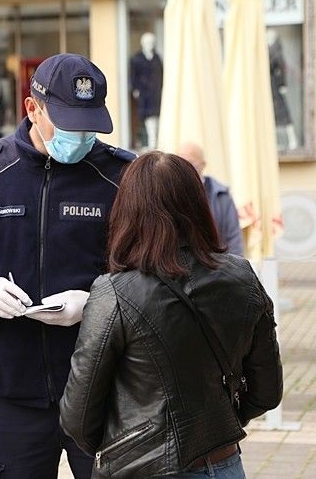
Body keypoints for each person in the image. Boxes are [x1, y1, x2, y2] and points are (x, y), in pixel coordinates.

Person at [0, 53, 135, 478]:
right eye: (69, 123)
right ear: (32, 109)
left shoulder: (123, 178)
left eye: (89, 124)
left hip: (106, 387)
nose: (81, 135)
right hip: (13, 391)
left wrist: (96, 302)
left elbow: (154, 275)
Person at [60, 151, 283, 478]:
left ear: (128, 210)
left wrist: (125, 447)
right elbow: (267, 392)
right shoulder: (242, 276)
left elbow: (77, 417)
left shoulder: (115, 292)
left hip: (144, 468)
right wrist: (218, 427)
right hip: (224, 464)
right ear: (198, 205)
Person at [177, 142, 244, 256]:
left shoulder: (221, 195)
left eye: (189, 163)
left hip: (216, 266)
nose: (184, 169)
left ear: (203, 164)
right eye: (179, 163)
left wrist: (233, 271)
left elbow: (234, 239)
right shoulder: (170, 192)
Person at [130, 32, 163, 150]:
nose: (150, 45)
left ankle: (154, 141)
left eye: (151, 42)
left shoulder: (157, 58)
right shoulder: (137, 58)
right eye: (147, 42)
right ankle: (147, 142)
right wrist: (135, 89)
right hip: (144, 94)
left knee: (156, 117)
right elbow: (133, 75)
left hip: (156, 92)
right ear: (142, 43)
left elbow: (161, 73)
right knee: (145, 117)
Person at [267, 29, 298, 151]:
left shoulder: (276, 53)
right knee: (273, 116)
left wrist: (282, 84)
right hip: (271, 87)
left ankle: (292, 140)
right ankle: (276, 142)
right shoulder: (268, 51)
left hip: (275, 87)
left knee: (283, 115)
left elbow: (281, 69)